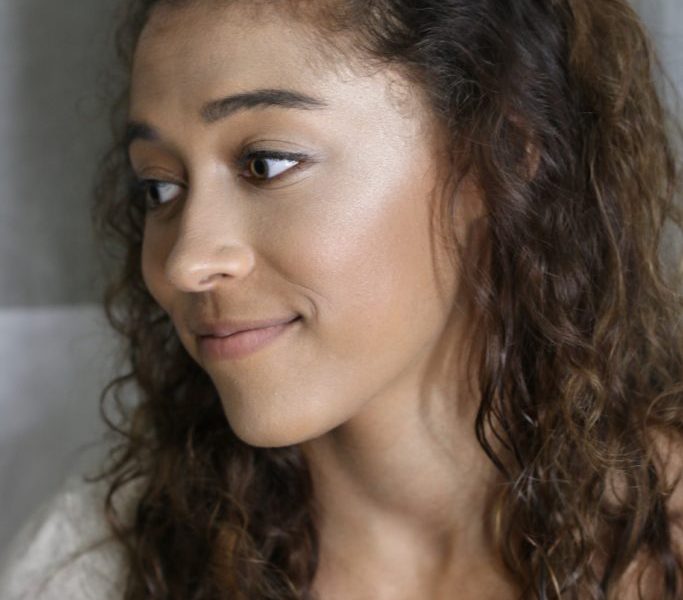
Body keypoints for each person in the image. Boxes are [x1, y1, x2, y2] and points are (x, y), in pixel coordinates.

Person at [1, 0, 682, 598]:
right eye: (158, 188)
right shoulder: (88, 565)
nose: (186, 262)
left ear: (495, 156)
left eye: (266, 163)